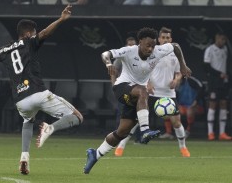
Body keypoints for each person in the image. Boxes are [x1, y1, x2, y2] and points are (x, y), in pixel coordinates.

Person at [0, 5, 83, 175]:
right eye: (34, 32)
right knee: (77, 116)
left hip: (20, 101)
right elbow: (46, 33)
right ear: (27, 34)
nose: (35, 35)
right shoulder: (28, 42)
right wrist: (61, 19)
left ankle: (24, 158)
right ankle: (50, 128)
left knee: (28, 121)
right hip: (37, 92)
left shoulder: (5, 49)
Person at [83, 27, 191, 174]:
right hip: (122, 87)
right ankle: (145, 130)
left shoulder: (158, 51)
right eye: (148, 45)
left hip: (137, 94)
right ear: (140, 42)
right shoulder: (129, 51)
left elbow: (176, 46)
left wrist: (183, 66)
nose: (151, 48)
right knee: (142, 91)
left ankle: (95, 154)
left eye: (153, 45)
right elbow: (105, 54)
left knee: (121, 132)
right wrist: (108, 64)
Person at [114, 27, 190, 158]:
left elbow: (178, 73)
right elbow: (143, 69)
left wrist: (177, 79)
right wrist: (147, 83)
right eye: (163, 37)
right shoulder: (153, 52)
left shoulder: (174, 55)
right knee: (136, 120)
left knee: (176, 122)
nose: (166, 40)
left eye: (168, 38)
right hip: (151, 92)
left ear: (171, 39)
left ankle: (183, 148)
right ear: (159, 39)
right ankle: (120, 147)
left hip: (168, 93)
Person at [204, 32, 231, 140]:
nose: (223, 41)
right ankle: (210, 133)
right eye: (222, 39)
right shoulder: (209, 49)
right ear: (217, 38)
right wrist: (219, 74)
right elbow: (206, 67)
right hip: (214, 82)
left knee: (224, 104)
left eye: (225, 40)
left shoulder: (225, 49)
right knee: (213, 104)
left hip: (223, 82)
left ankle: (222, 133)